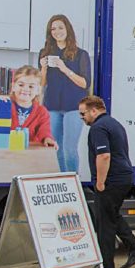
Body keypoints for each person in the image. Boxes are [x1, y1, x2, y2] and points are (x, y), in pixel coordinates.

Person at [77, 95, 135, 268]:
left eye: (83, 113)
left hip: (111, 180)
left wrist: (100, 181)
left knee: (104, 222)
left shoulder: (98, 128)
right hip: (123, 177)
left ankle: (105, 265)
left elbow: (104, 156)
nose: (82, 117)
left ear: (94, 110)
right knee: (111, 214)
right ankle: (134, 246)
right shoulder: (114, 123)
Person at [39, 15, 91, 173]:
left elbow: (85, 83)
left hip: (74, 107)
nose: (57, 31)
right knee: (56, 149)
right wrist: (43, 68)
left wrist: (64, 68)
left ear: (68, 29)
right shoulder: (45, 53)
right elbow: (42, 84)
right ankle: (62, 182)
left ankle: (73, 183)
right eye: (53, 29)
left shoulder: (81, 54)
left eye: (60, 27)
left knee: (69, 149)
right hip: (52, 106)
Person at [0, 66, 55, 147]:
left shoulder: (41, 111)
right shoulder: (6, 104)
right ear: (13, 87)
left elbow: (44, 130)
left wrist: (47, 138)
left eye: (31, 86)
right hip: (6, 147)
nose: (25, 89)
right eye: (21, 85)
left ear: (38, 90)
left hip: (28, 149)